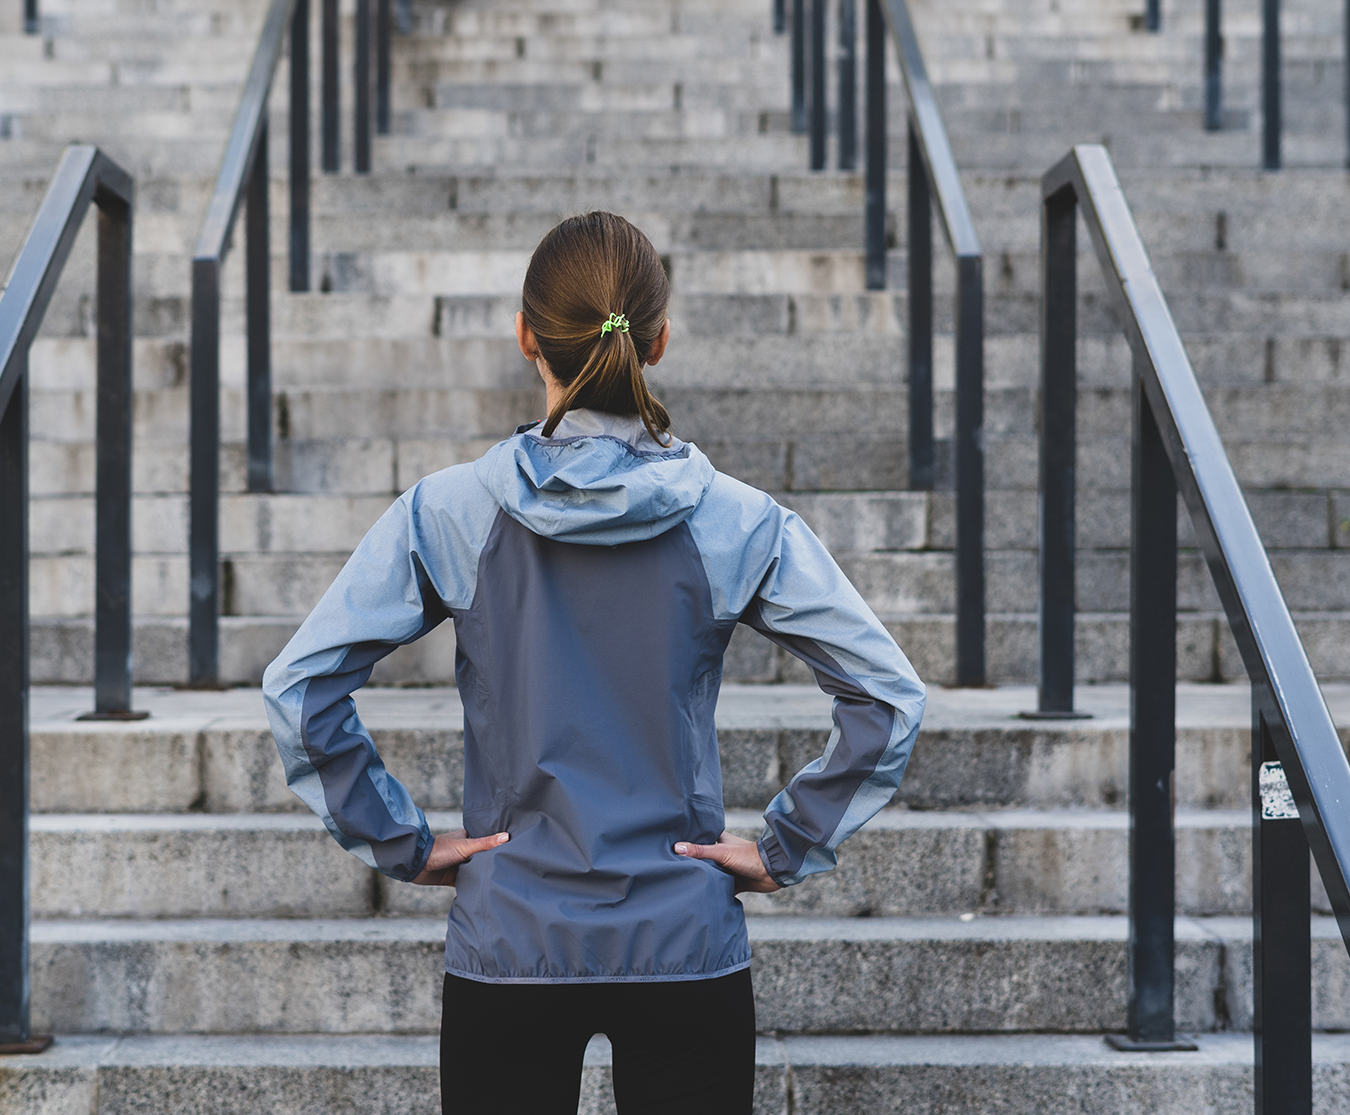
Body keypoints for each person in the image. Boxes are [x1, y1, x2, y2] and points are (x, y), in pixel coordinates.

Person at [260, 210, 927, 1115]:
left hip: (510, 935)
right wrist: (788, 845)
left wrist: (401, 842)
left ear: (528, 336)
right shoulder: (737, 520)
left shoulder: (449, 513)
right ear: (658, 341)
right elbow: (886, 695)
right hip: (684, 937)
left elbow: (300, 688)